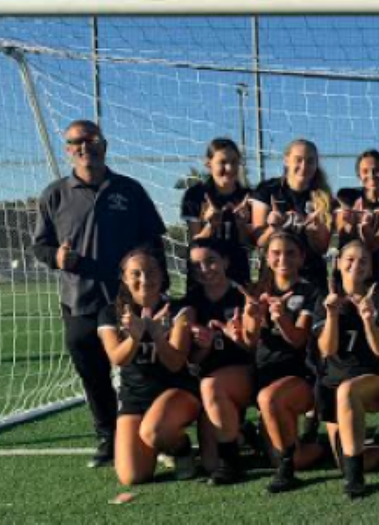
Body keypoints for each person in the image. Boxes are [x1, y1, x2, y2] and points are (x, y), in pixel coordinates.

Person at [31, 119, 167, 468]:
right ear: (67, 150)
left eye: (90, 139)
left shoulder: (130, 189)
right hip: (80, 299)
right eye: (75, 141)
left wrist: (158, 284)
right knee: (92, 371)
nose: (83, 146)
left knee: (142, 368)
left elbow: (154, 240)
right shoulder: (54, 194)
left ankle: (159, 433)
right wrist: (56, 257)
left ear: (103, 144)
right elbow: (41, 246)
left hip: (128, 299)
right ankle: (107, 436)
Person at [97, 248, 199, 485]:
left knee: (154, 430)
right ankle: (161, 444)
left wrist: (157, 335)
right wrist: (135, 336)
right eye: (136, 273)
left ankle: (181, 448)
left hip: (176, 391)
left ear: (162, 275)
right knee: (132, 476)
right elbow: (116, 358)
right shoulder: (110, 313)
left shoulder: (180, 310)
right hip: (135, 397)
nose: (145, 279)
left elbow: (175, 364)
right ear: (124, 278)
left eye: (151, 272)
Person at [313, 240, 379, 499]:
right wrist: (331, 314)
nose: (356, 265)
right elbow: (327, 350)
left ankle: (356, 481)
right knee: (343, 459)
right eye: (350, 259)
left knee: (348, 391)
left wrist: (369, 320)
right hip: (331, 382)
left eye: (363, 261)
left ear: (371, 268)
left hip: (370, 380)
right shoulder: (326, 298)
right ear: (338, 263)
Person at [244, 232, 323, 494]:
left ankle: (322, 450)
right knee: (293, 456)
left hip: (300, 376)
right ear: (267, 257)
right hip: (264, 373)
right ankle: (301, 448)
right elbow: (248, 340)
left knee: (269, 399)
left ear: (301, 257)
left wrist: (280, 318)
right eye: (276, 253)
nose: (282, 258)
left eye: (290, 253)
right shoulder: (256, 290)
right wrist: (251, 320)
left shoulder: (310, 291)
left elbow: (299, 340)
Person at [180, 238, 254, 484]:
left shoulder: (244, 295)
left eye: (211, 261)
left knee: (212, 385)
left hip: (247, 376)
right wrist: (203, 346)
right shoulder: (189, 303)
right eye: (197, 265)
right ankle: (243, 433)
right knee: (210, 464)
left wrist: (238, 338)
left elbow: (259, 350)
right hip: (208, 387)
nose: (204, 269)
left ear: (225, 261)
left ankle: (232, 464)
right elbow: (193, 360)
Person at [250, 139, 332, 290]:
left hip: (311, 275)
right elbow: (259, 241)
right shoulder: (268, 190)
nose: (304, 166)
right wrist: (272, 228)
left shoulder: (323, 196)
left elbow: (322, 248)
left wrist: (314, 231)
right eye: (298, 160)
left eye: (310, 161)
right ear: (286, 160)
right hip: (275, 274)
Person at [181, 138, 253, 287]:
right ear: (208, 163)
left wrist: (241, 225)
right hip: (203, 273)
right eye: (223, 162)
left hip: (237, 272)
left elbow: (248, 247)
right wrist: (210, 226)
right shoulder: (195, 195)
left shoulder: (248, 197)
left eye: (234, 162)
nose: (230, 168)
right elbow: (195, 244)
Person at [336, 149, 379, 287]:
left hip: (377, 270)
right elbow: (344, 237)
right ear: (359, 175)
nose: (371, 175)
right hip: (348, 269)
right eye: (365, 171)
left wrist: (372, 230)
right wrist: (351, 223)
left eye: (376, 170)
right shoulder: (346, 196)